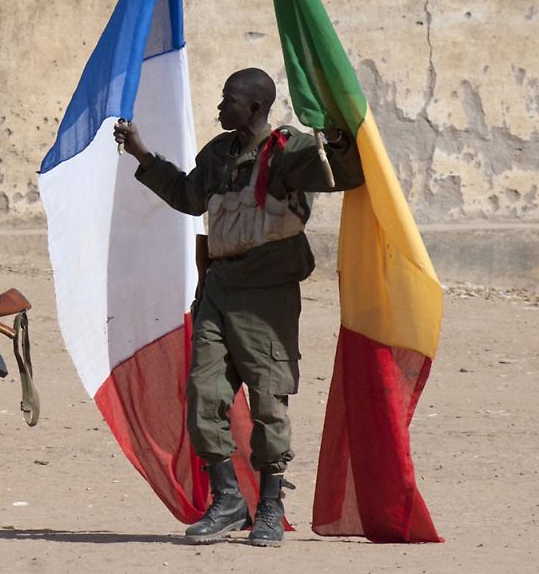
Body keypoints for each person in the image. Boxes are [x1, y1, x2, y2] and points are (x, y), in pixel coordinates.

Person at [113, 67, 364, 547]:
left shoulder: (290, 151)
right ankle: (228, 498)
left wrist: (337, 136)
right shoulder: (219, 153)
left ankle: (269, 504)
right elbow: (189, 197)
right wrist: (142, 153)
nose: (219, 107)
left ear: (254, 107)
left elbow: (345, 174)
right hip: (220, 289)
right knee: (203, 394)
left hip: (267, 294)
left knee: (269, 400)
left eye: (228, 100)